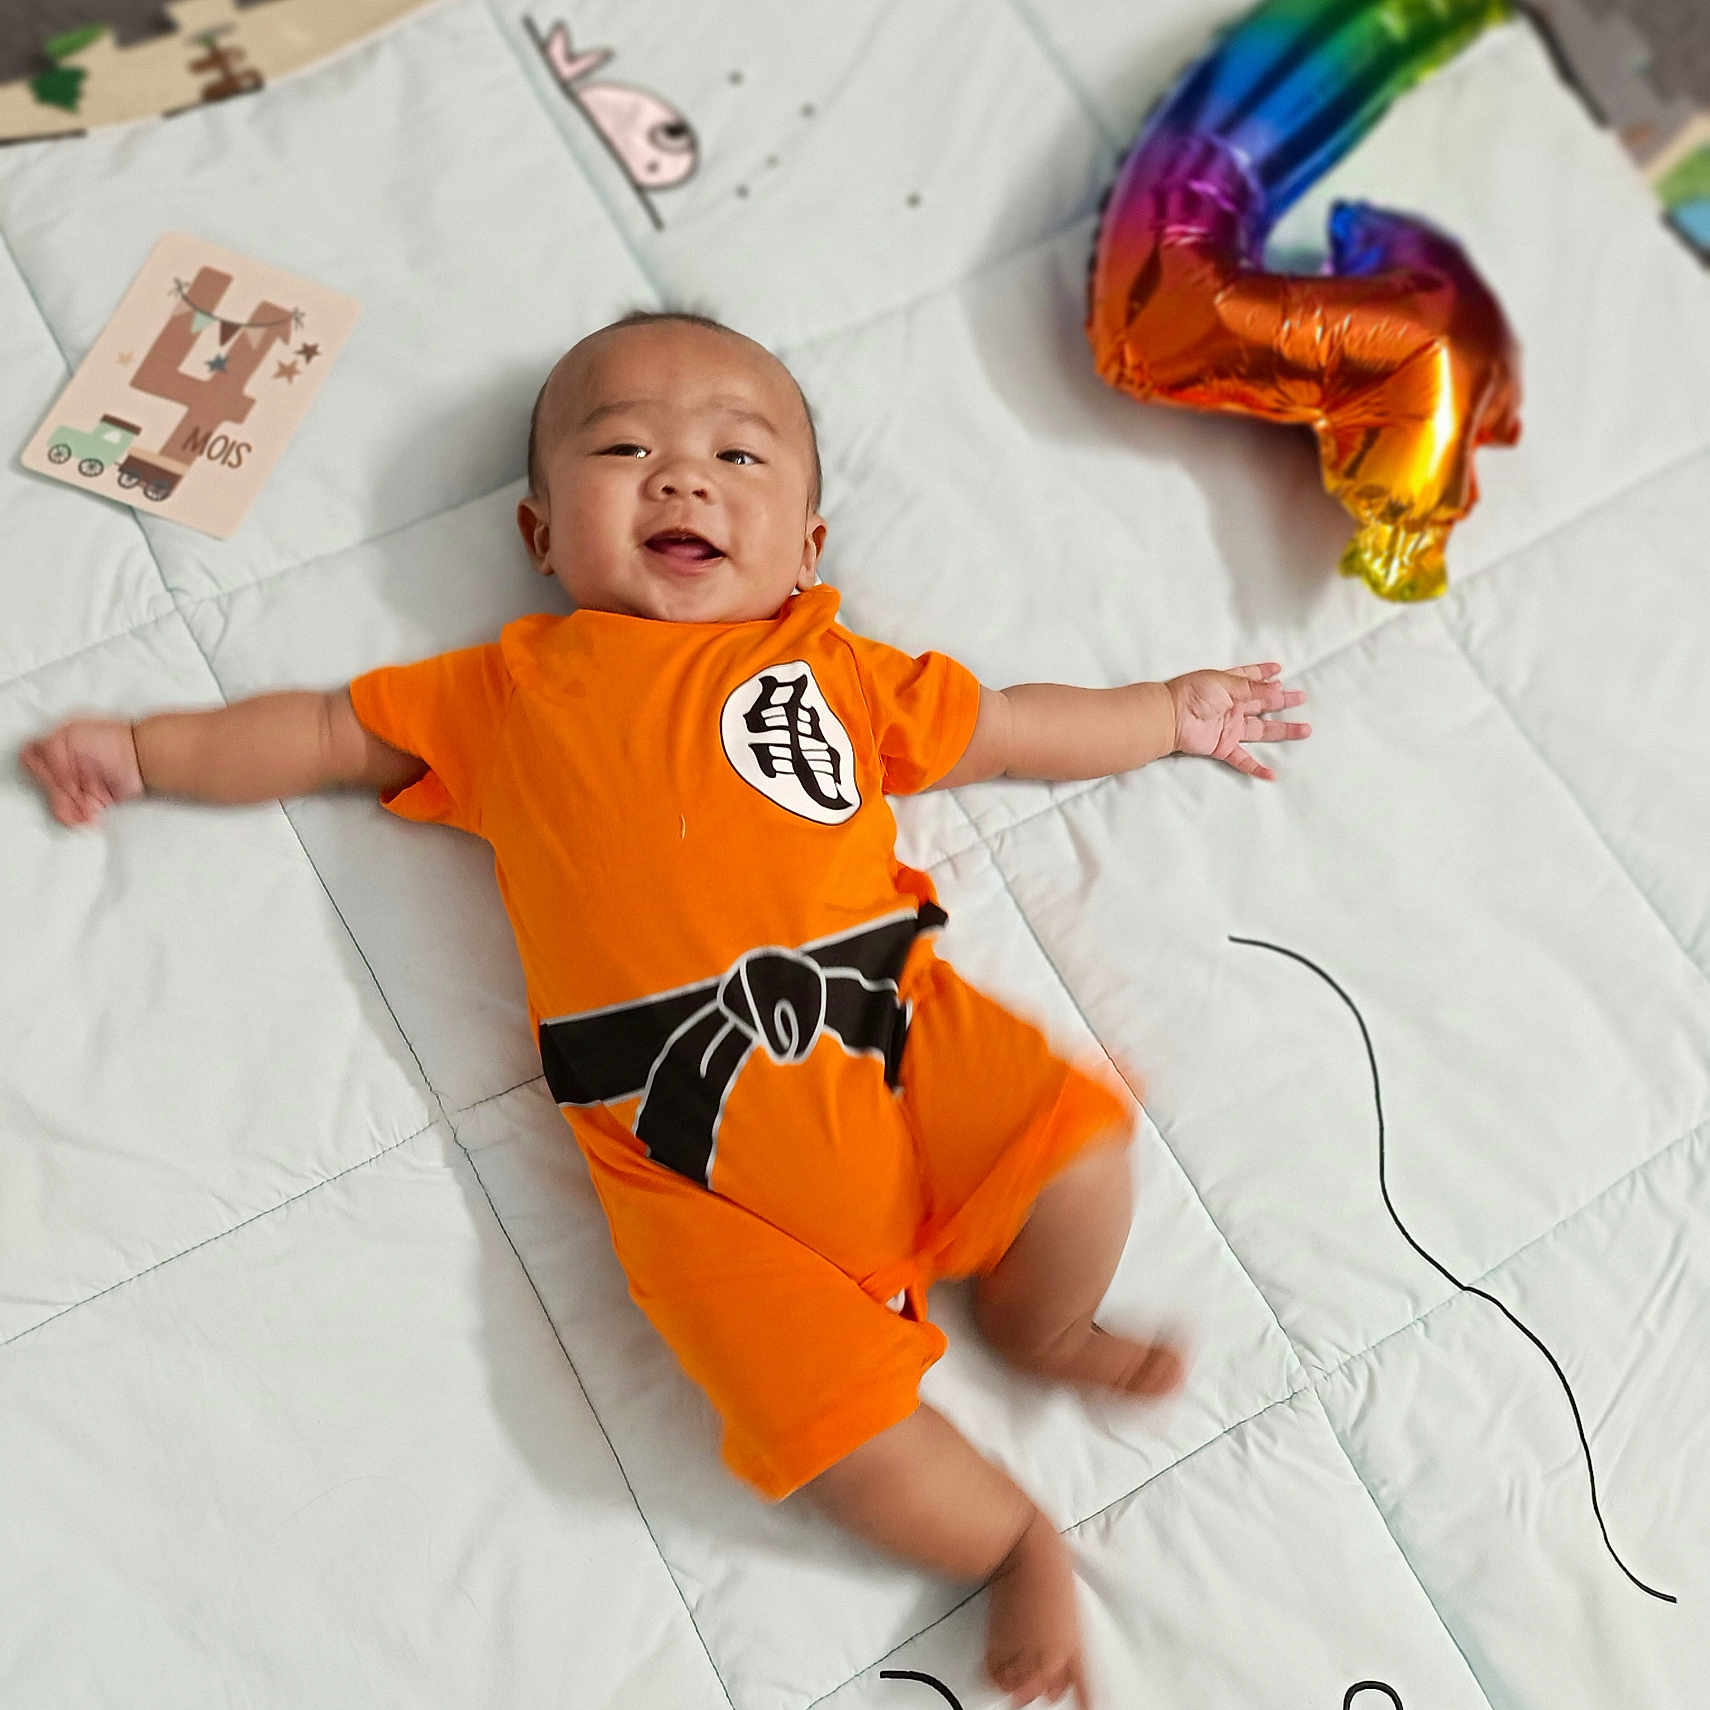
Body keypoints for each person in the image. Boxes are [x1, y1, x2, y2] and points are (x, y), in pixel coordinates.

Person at [19, 310, 1309, 1708]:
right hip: (683, 1152)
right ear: (538, 533)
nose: (682, 478)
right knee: (822, 1427)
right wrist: (148, 749)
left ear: (808, 549)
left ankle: (1041, 1324)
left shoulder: (829, 665)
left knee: (1082, 1152)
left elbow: (1004, 724)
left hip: (890, 1028)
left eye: (738, 453)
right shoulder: (506, 688)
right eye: (624, 446)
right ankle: (1009, 1538)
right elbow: (324, 732)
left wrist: (1165, 712)